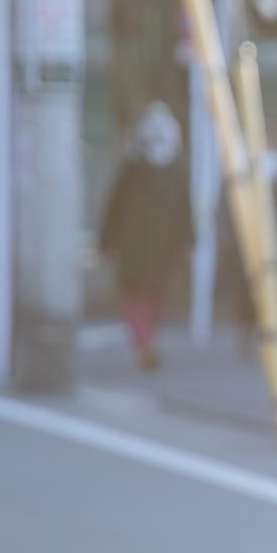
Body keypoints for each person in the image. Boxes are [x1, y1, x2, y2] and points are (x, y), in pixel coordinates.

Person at [97, 101, 194, 372]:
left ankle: (144, 341)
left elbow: (113, 207)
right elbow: (184, 211)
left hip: (137, 245)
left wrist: (106, 242)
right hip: (158, 246)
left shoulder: (133, 169)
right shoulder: (171, 172)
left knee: (139, 294)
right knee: (151, 294)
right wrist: (187, 239)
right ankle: (146, 341)